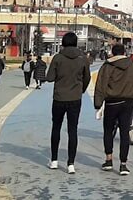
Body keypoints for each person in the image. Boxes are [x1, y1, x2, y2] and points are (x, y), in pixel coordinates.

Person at [94, 44, 133, 176]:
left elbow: (100, 85)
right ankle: (123, 164)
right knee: (124, 133)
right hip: (127, 102)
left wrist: (98, 104)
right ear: (124, 52)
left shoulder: (107, 66)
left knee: (108, 131)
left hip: (111, 102)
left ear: (112, 53)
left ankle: (109, 160)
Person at [46, 32, 91, 174]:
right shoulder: (82, 58)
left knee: (56, 128)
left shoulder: (58, 58)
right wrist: (80, 89)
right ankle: (71, 163)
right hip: (75, 98)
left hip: (59, 97)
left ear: (63, 43)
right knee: (73, 130)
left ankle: (54, 160)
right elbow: (87, 78)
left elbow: (50, 78)